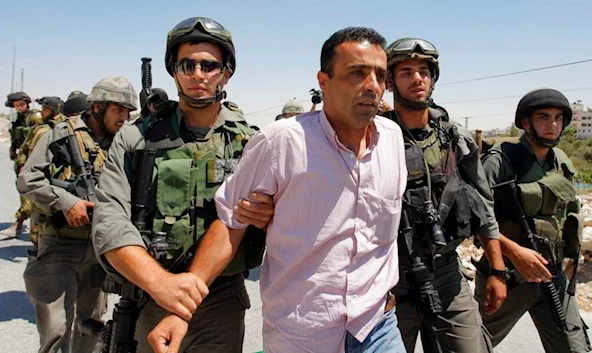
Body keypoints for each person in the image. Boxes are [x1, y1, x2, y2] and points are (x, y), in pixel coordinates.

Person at [149, 26, 408, 353]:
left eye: (380, 75)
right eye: (357, 73)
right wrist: (180, 311)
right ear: (323, 81)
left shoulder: (393, 140)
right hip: (304, 335)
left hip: (377, 326)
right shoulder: (281, 142)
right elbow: (231, 222)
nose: (372, 85)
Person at [91, 17, 269, 353]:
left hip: (220, 302)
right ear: (174, 71)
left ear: (226, 72)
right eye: (188, 65)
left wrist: (266, 214)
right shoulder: (137, 137)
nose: (198, 75)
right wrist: (162, 285)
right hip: (150, 295)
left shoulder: (249, 143)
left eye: (209, 66)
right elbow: (109, 223)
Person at [380, 37, 506, 353]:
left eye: (424, 70)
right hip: (388, 278)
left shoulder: (455, 139)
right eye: (406, 71)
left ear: (433, 78)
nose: (417, 78)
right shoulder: (372, 136)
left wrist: (498, 270)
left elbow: (484, 208)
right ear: (390, 82)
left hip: (446, 272)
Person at [18, 76, 137, 353]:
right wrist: (66, 202)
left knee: (91, 328)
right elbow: (29, 180)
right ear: (98, 107)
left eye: (128, 112)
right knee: (56, 332)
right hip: (60, 246)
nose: (124, 117)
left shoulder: (123, 142)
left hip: (99, 248)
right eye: (118, 110)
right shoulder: (60, 134)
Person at [474, 88, 591, 353]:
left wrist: (570, 257)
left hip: (553, 274)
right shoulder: (501, 160)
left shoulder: (560, 161)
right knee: (473, 346)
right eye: (543, 117)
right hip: (508, 276)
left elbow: (566, 214)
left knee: (574, 346)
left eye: (559, 118)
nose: (553, 124)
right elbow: (474, 216)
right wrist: (511, 257)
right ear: (526, 122)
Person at [15, 96, 66, 250]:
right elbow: (24, 150)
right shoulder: (39, 129)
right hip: (37, 179)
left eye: (46, 109)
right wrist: (22, 165)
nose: (42, 112)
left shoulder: (63, 130)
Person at [1, 91, 42, 237]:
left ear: (27, 104)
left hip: (32, 160)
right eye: (16, 105)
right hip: (21, 158)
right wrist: (13, 149)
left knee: (28, 192)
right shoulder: (18, 119)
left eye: (21, 104)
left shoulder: (35, 117)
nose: (19, 107)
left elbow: (41, 137)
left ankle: (18, 224)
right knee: (24, 191)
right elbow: (16, 136)